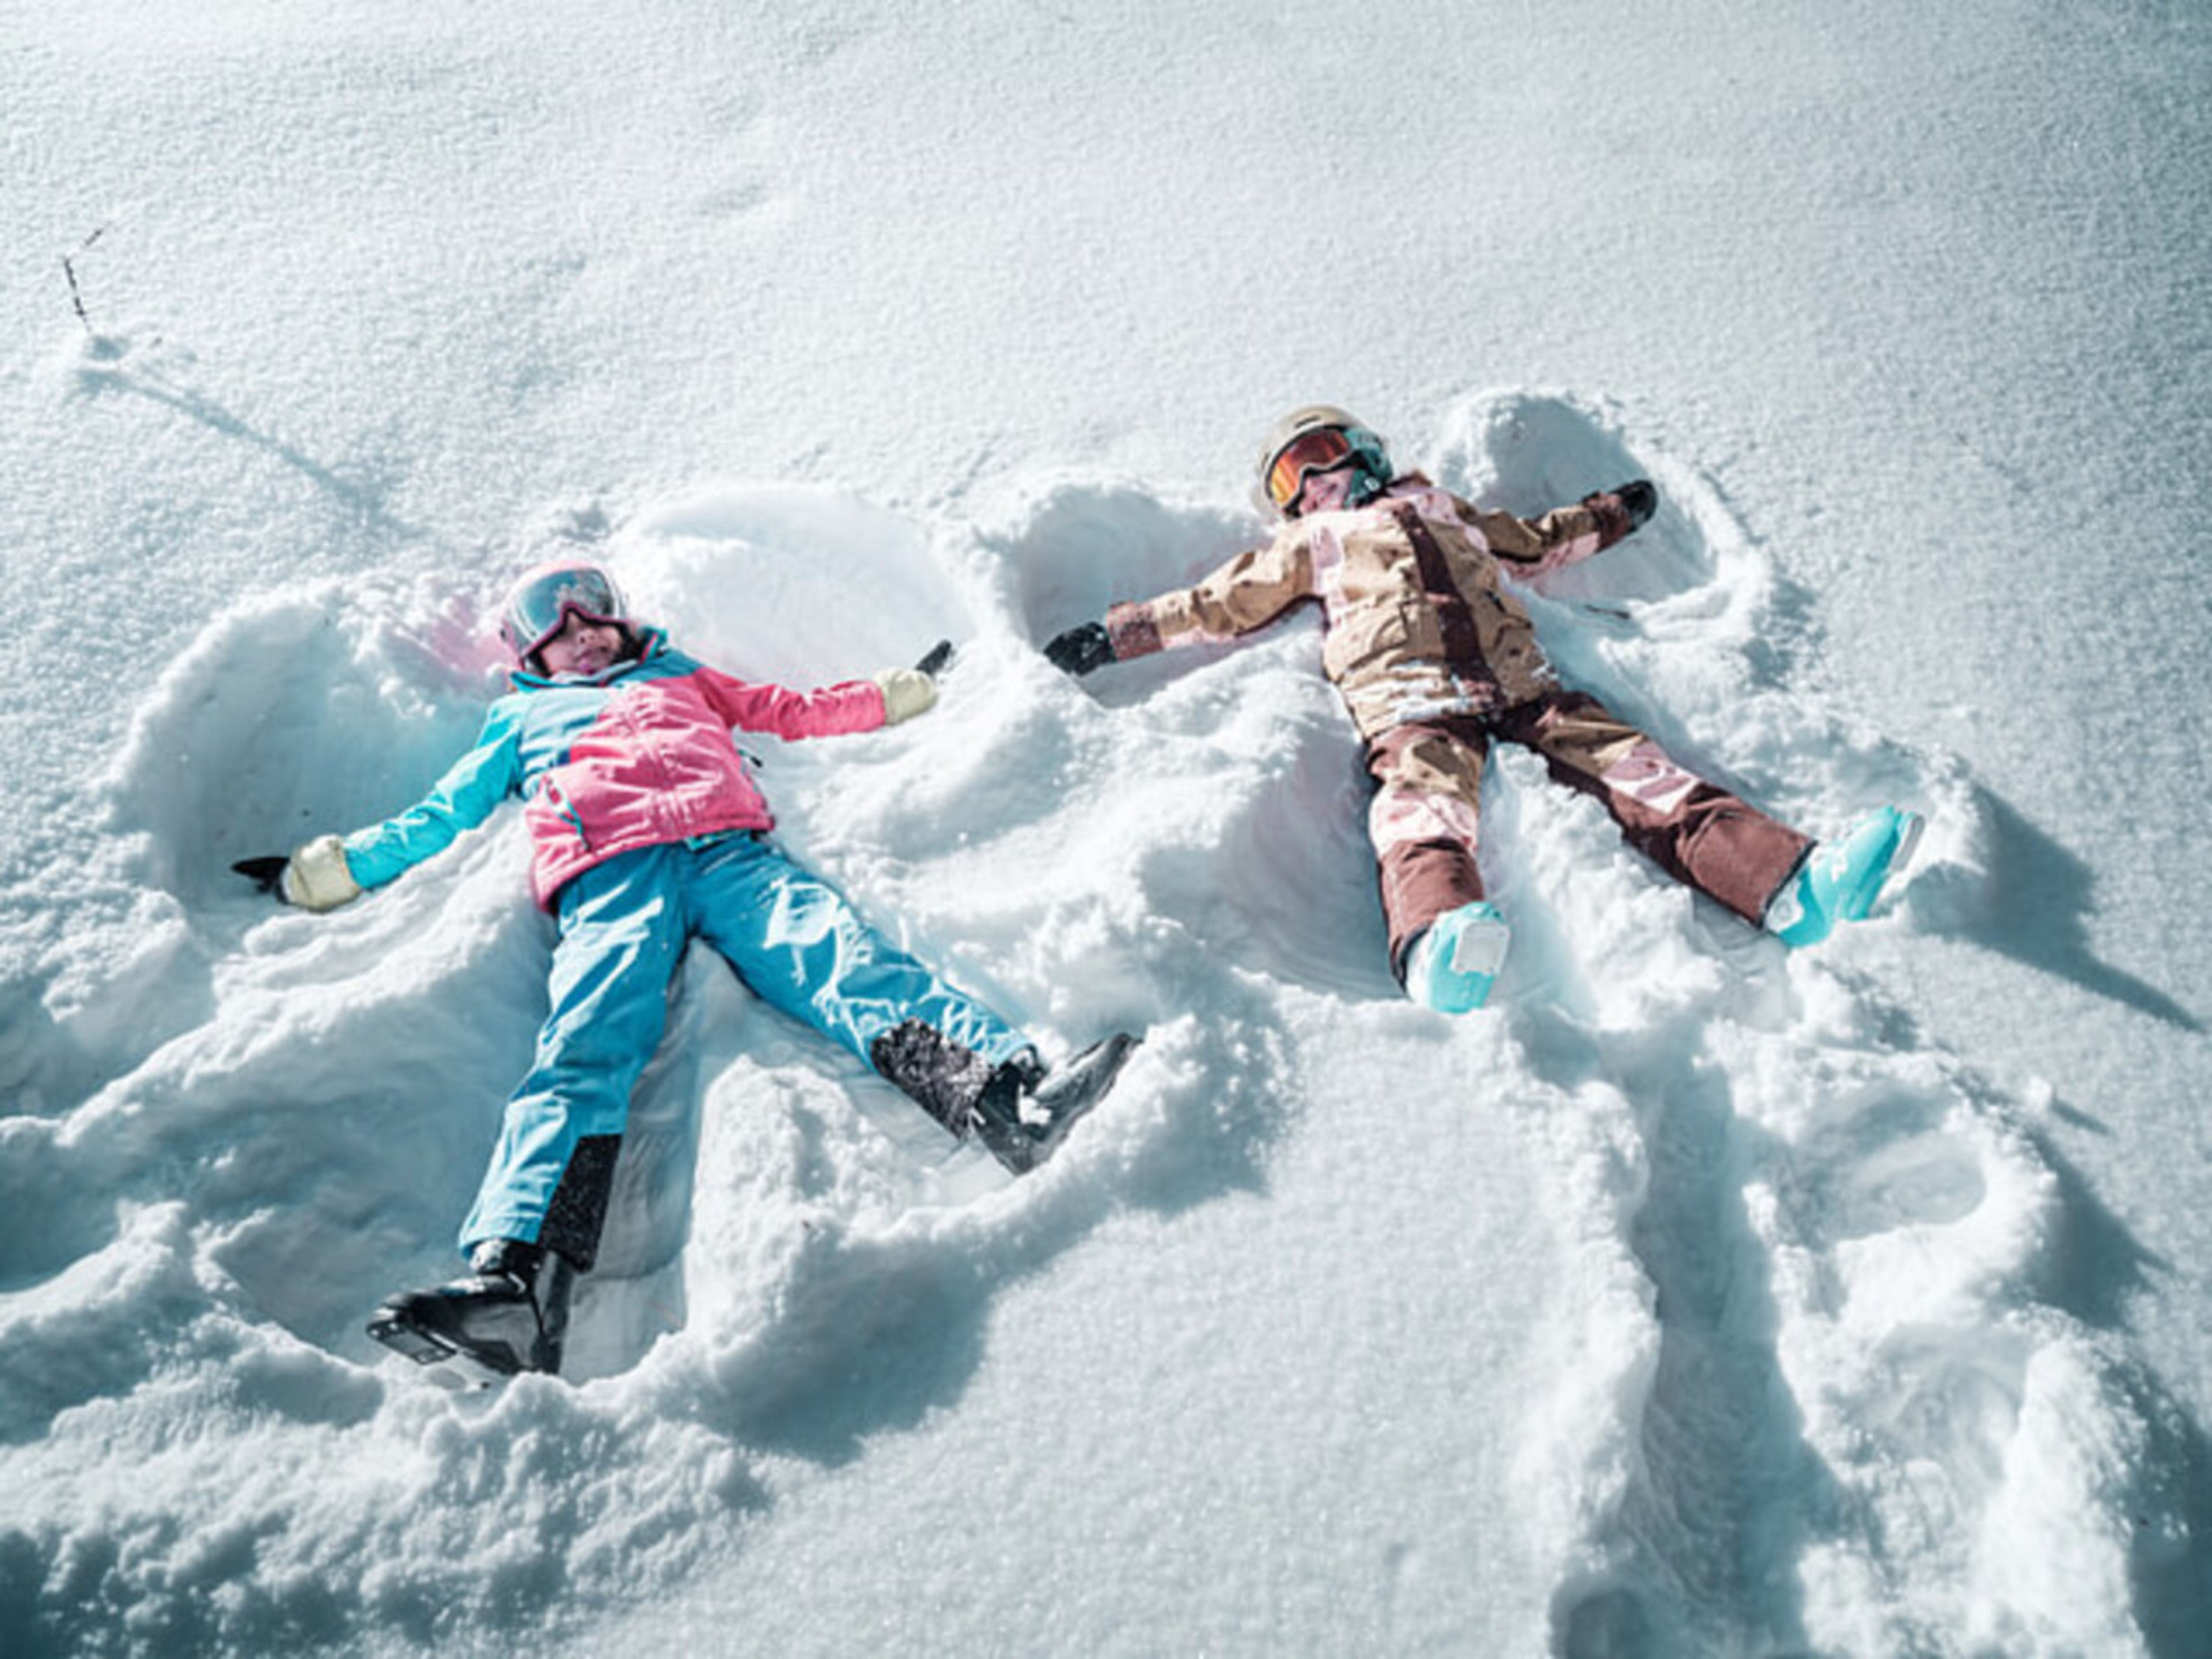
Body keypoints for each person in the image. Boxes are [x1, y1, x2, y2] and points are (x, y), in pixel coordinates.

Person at [242, 560, 1135, 1377]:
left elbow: (792, 710)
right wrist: (323, 871)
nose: (585, 640)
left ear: (626, 628)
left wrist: (898, 693)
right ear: (533, 661)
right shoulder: (517, 721)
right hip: (610, 879)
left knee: (844, 963)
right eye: (563, 639)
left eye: (597, 625)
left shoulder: (681, 676)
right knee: (587, 1046)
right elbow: (437, 815)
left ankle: (1003, 1099)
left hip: (729, 857)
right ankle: (521, 1283)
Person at [1043, 406, 1921, 1013]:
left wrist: (1613, 514)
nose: (1314, 485)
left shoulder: (1445, 510)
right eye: (1291, 479)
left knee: (1639, 770)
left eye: (1323, 459)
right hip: (1408, 698)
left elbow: (1536, 542)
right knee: (1422, 811)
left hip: (1521, 685)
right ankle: (1437, 940)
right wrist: (1116, 635)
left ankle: (1791, 884)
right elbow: (1216, 602)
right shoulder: (1308, 545)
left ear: (1365, 455)